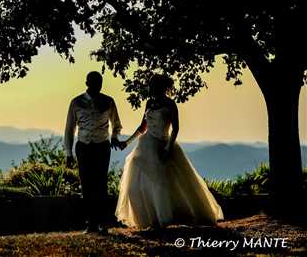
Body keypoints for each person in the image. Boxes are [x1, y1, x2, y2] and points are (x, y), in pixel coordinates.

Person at [115, 74, 224, 229]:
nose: (150, 88)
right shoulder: (150, 103)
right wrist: (127, 142)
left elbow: (176, 128)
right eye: (150, 85)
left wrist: (168, 148)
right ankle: (150, 218)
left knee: (164, 183)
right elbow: (142, 127)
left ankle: (170, 217)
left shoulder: (170, 104)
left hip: (163, 144)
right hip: (145, 145)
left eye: (153, 85)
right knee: (137, 184)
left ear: (160, 87)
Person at [64, 71, 123, 235]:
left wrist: (114, 137)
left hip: (102, 146)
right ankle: (90, 223)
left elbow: (117, 124)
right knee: (86, 185)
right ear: (87, 83)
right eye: (94, 82)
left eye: (100, 82)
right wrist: (68, 153)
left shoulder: (108, 101)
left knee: (101, 184)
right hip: (83, 146)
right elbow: (69, 129)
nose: (98, 85)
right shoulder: (76, 102)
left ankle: (103, 222)